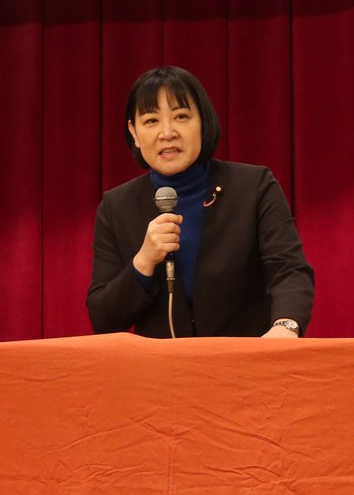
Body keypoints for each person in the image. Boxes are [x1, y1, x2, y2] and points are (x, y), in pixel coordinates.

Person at [87, 66, 314, 339]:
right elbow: (103, 319)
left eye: (181, 116)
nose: (167, 132)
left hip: (243, 358)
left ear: (203, 122)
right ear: (134, 132)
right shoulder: (116, 207)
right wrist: (143, 261)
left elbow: (289, 270)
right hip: (159, 365)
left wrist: (286, 326)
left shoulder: (253, 187)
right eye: (151, 120)